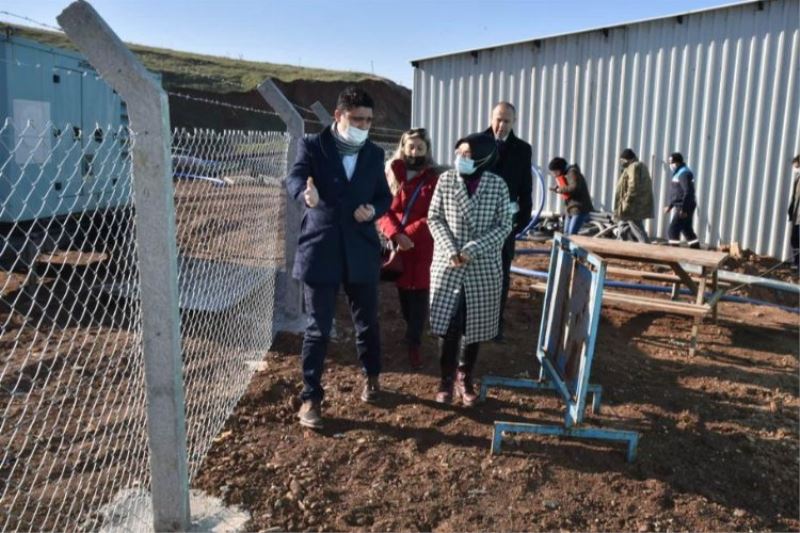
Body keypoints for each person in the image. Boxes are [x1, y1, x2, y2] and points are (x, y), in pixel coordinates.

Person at [285, 86, 393, 429]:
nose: (363, 125)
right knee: (317, 328)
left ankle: (372, 377)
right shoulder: (314, 146)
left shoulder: (374, 154)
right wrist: (306, 195)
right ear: (338, 116)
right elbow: (295, 177)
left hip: (360, 248)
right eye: (356, 119)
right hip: (321, 247)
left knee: (367, 322)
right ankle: (311, 397)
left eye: (368, 120)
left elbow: (384, 196)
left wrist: (373, 209)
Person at [428, 132, 513, 407]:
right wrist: (451, 249)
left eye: (467, 154)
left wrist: (473, 249)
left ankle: (464, 377)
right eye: (459, 153)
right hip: (449, 262)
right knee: (448, 324)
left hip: (481, 265)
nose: (461, 159)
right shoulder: (446, 180)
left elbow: (504, 225)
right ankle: (444, 379)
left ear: (483, 156)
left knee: (473, 325)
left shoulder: (498, 185)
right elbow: (434, 217)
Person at [378, 128, 439, 369]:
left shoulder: (434, 178)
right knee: (404, 293)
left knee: (420, 295)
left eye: (419, 148)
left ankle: (414, 341)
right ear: (403, 147)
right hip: (398, 246)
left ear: (427, 150)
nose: (414, 152)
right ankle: (410, 332)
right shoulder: (392, 174)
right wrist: (395, 233)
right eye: (410, 147)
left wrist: (408, 235)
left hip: (423, 246)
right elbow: (384, 208)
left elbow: (434, 214)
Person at [483, 102, 532, 342]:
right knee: (473, 272)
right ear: (491, 118)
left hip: (505, 226)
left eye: (507, 121)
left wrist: (518, 223)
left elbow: (525, 190)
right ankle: (471, 320)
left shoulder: (522, 150)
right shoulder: (475, 143)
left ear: (514, 122)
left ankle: (494, 324)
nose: (501, 126)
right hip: (477, 224)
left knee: (500, 275)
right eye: (498, 119)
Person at [614, 148, 654, 242]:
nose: (621, 162)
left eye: (622, 160)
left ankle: (646, 248)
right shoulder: (637, 166)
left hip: (633, 206)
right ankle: (620, 245)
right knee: (622, 225)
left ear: (628, 159)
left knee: (637, 228)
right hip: (635, 204)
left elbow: (633, 186)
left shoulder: (633, 167)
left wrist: (627, 202)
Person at [548, 157, 594, 235]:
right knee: (566, 233)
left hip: (579, 208)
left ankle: (570, 247)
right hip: (570, 208)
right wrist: (557, 188)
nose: (554, 175)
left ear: (560, 169)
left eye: (555, 172)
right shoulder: (566, 174)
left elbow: (574, 187)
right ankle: (565, 247)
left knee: (571, 234)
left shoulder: (572, 172)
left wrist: (560, 190)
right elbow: (567, 187)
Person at [664, 152, 700, 249]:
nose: (670, 165)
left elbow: (688, 192)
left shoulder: (684, 173)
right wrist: (670, 206)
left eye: (671, 163)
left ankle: (674, 255)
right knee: (687, 229)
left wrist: (683, 209)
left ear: (677, 163)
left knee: (673, 230)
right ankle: (696, 251)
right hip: (683, 205)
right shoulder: (679, 173)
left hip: (684, 206)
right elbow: (677, 193)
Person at [788, 155, 800, 270]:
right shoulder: (798, 179)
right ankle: (797, 263)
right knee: (794, 240)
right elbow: (795, 198)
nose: (795, 168)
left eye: (796, 165)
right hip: (797, 217)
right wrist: (791, 211)